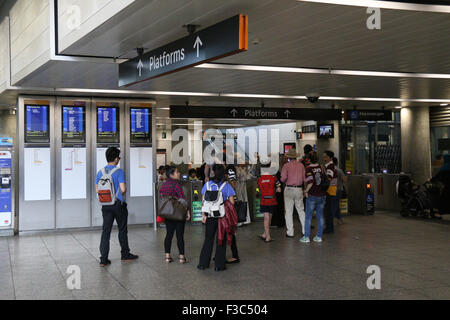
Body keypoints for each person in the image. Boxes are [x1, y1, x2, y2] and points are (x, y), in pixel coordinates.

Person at [96, 147, 138, 267]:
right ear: (115, 159)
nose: (119, 159)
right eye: (118, 157)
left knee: (106, 231)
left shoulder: (100, 172)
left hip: (105, 205)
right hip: (118, 204)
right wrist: (119, 194)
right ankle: (125, 254)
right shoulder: (119, 171)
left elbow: (97, 189)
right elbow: (123, 189)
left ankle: (103, 259)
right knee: (122, 229)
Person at [198, 164, 236, 272]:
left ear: (213, 173)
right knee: (221, 240)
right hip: (222, 217)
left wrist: (203, 215)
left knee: (208, 239)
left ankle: (203, 264)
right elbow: (232, 203)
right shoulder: (227, 186)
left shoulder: (208, 185)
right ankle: (219, 265)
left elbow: (203, 202)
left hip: (210, 216)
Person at [159, 166, 191, 264]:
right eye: (177, 172)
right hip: (178, 213)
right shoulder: (177, 185)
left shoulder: (163, 185)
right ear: (171, 174)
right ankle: (182, 258)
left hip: (168, 213)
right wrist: (188, 211)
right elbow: (182, 200)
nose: (179, 173)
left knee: (169, 234)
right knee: (179, 235)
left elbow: (162, 198)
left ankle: (167, 257)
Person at [301, 152, 326, 243]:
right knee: (320, 216)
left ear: (309, 159)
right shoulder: (322, 167)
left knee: (308, 217)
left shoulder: (308, 168)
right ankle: (319, 236)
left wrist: (305, 191)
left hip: (312, 195)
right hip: (322, 195)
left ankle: (306, 237)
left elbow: (310, 181)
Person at [281, 148, 306, 238]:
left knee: (288, 211)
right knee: (301, 210)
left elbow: (283, 179)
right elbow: (304, 179)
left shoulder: (286, 166)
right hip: (299, 189)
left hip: (289, 189)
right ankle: (305, 230)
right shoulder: (301, 166)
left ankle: (290, 232)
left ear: (289, 157)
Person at [258, 163, 281, 242]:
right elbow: (279, 189)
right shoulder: (274, 178)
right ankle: (266, 235)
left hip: (264, 200)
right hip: (272, 200)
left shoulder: (260, 179)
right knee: (269, 218)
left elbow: (258, 190)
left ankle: (267, 236)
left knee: (266, 218)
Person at [323, 151, 338, 234]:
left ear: (330, 158)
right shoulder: (329, 166)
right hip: (330, 189)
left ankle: (329, 228)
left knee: (328, 210)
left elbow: (329, 178)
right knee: (328, 210)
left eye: (325, 157)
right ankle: (329, 228)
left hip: (330, 190)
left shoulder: (330, 166)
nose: (324, 158)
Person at [333, 157, 347, 225]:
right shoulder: (339, 170)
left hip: (331, 190)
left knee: (333, 205)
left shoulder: (329, 170)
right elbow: (344, 179)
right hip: (338, 190)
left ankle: (337, 218)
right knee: (336, 204)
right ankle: (339, 219)